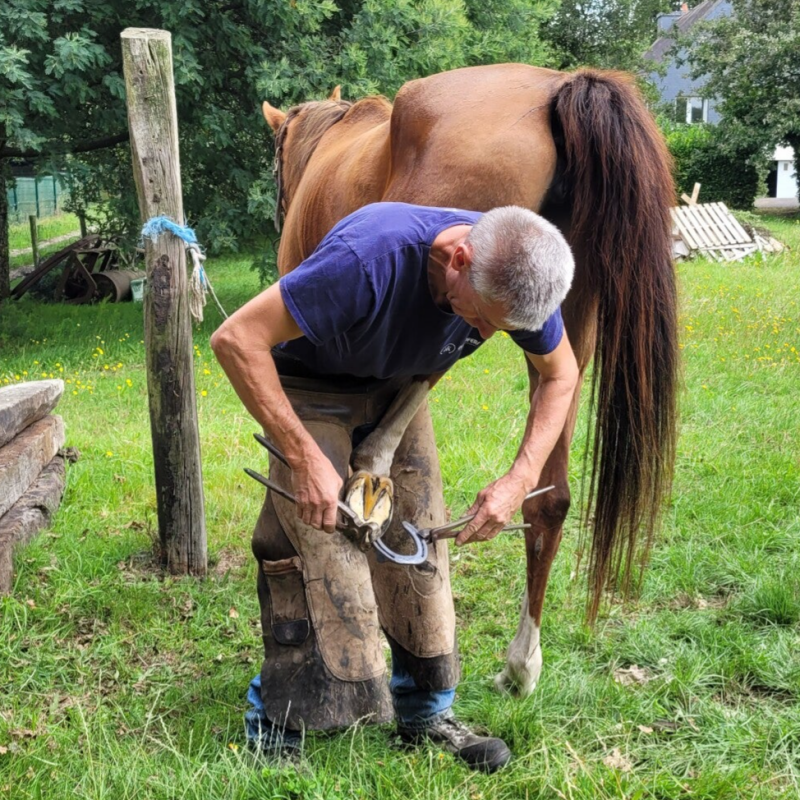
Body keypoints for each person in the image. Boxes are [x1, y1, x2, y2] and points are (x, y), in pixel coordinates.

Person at [211, 201, 578, 773]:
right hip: (309, 386)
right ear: (459, 259)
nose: (482, 335)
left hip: (400, 392)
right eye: (481, 319)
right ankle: (274, 726)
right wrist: (305, 456)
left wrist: (520, 478)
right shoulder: (368, 260)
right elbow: (236, 340)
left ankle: (425, 714)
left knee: (419, 549)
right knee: (322, 552)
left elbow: (561, 373)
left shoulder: (515, 266)